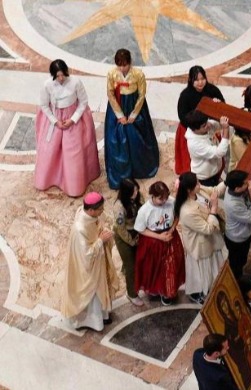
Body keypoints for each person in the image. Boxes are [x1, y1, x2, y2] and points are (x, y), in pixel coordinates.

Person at [35, 59, 100, 197]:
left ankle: (74, 185)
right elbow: (44, 106)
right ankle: (51, 179)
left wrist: (73, 120)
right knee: (49, 150)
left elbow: (83, 102)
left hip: (73, 120)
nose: (61, 78)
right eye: (57, 76)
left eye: (63, 74)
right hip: (55, 119)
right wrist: (55, 121)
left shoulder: (76, 82)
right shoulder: (47, 85)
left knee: (74, 153)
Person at [61, 192, 119, 331]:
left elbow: (97, 228)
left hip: (98, 261)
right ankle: (93, 321)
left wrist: (104, 233)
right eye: (100, 209)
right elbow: (86, 256)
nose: (102, 211)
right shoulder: (80, 229)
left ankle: (104, 316)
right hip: (88, 269)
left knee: (101, 288)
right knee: (93, 296)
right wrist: (101, 241)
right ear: (91, 210)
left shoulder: (91, 216)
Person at [104, 48, 159, 189]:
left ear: (130, 63)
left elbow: (142, 95)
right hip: (118, 106)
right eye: (119, 65)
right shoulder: (111, 74)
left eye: (125, 64)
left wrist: (134, 115)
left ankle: (138, 168)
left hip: (134, 105)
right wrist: (120, 115)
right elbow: (110, 93)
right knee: (115, 139)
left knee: (137, 138)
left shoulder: (138, 74)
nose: (122, 68)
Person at [174, 172, 226, 305]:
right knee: (200, 273)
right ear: (189, 190)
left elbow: (214, 191)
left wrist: (227, 181)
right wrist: (213, 209)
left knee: (214, 267)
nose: (200, 184)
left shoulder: (199, 190)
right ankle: (196, 292)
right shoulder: (187, 211)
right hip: (200, 244)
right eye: (197, 183)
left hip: (211, 240)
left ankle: (213, 287)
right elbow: (207, 229)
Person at [134, 181, 185, 306]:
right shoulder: (145, 210)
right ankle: (155, 289)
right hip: (153, 241)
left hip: (170, 237)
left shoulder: (171, 202)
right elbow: (140, 229)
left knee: (170, 266)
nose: (163, 201)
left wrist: (172, 229)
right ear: (152, 195)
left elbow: (177, 215)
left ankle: (168, 291)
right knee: (155, 267)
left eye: (166, 198)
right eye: (160, 199)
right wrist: (159, 237)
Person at [175, 65, 225, 174]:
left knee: (213, 157)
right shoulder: (185, 95)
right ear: (190, 80)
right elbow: (182, 116)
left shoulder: (212, 90)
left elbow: (223, 107)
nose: (200, 82)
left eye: (202, 79)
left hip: (209, 126)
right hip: (191, 129)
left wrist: (217, 104)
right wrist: (196, 128)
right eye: (196, 80)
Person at [223, 170, 251, 279]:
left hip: (244, 233)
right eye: (245, 183)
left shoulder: (235, 189)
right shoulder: (233, 204)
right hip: (237, 238)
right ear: (237, 188)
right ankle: (237, 283)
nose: (248, 183)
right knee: (237, 264)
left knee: (242, 259)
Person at [113, 178, 143, 306]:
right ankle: (131, 294)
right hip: (124, 237)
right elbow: (121, 229)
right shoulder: (119, 207)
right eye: (133, 191)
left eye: (136, 189)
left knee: (138, 260)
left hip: (136, 231)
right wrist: (132, 242)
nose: (136, 193)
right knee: (131, 267)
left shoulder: (137, 197)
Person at [185, 110, 230, 186]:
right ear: (195, 129)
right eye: (204, 126)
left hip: (214, 169)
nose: (208, 125)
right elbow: (220, 152)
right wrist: (226, 129)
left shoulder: (204, 126)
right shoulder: (195, 144)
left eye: (207, 122)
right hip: (206, 177)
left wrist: (217, 107)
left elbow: (218, 124)